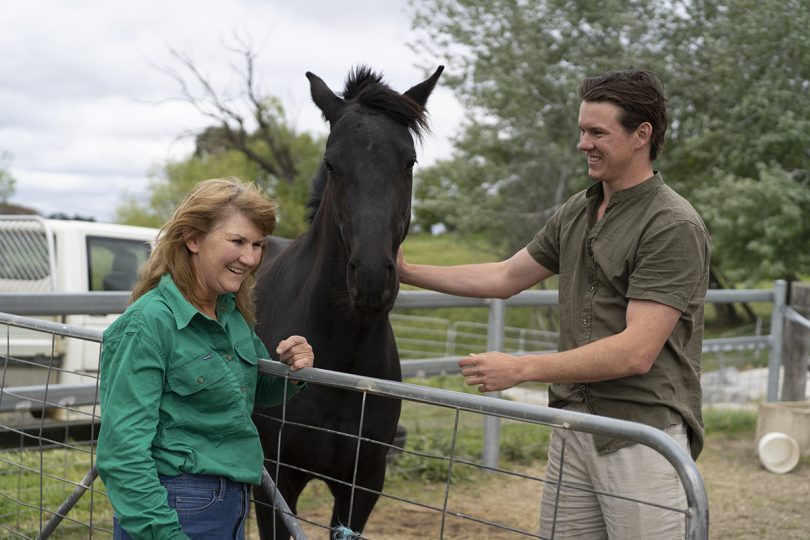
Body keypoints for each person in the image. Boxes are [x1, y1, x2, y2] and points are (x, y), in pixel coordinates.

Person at [397, 68, 711, 538]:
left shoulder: (671, 225)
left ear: (641, 134)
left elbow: (636, 351)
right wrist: (406, 271)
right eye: (582, 130)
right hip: (570, 426)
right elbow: (505, 275)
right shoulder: (577, 211)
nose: (583, 143)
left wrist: (521, 369)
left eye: (597, 132)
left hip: (640, 435)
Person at [96, 177, 314, 539]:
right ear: (192, 239)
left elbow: (248, 393)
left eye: (258, 244)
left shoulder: (230, 313)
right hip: (176, 508)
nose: (250, 257)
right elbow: (122, 455)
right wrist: (164, 533)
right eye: (238, 241)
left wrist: (292, 368)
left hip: (229, 504)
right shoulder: (148, 324)